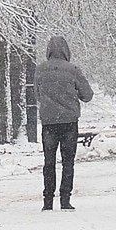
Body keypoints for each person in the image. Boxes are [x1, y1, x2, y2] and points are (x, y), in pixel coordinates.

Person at [35, 35, 94, 211]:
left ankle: (47, 200)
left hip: (49, 123)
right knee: (68, 161)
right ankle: (65, 199)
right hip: (68, 121)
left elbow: (36, 94)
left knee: (49, 161)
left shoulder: (40, 70)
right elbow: (87, 95)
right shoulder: (73, 69)